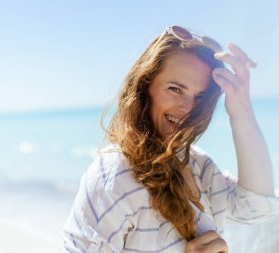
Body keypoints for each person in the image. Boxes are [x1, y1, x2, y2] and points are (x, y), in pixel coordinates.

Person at [61, 25, 279, 252]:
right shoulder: (113, 176)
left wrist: (241, 111)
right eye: (175, 89)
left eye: (200, 96)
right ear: (145, 87)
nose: (188, 109)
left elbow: (257, 207)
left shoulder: (196, 165)